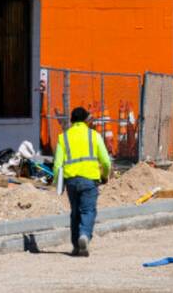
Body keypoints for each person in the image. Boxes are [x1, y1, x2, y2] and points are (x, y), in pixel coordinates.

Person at [53, 106, 113, 257]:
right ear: (86, 119)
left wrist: (57, 183)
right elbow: (106, 161)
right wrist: (105, 175)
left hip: (71, 181)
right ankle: (84, 235)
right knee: (88, 210)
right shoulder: (94, 136)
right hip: (90, 179)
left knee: (75, 213)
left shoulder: (63, 137)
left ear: (72, 121)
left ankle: (75, 246)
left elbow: (57, 165)